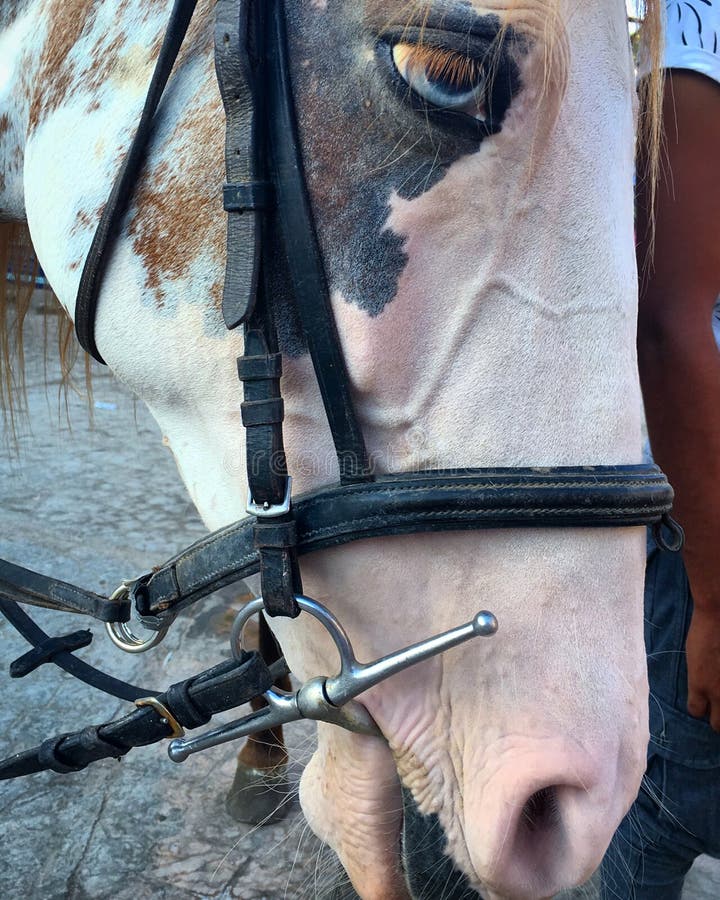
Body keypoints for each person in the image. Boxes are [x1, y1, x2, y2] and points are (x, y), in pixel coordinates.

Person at [600, 3, 720, 896]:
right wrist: (717, 603)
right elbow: (668, 328)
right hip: (700, 516)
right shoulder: (693, 28)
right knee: (670, 796)